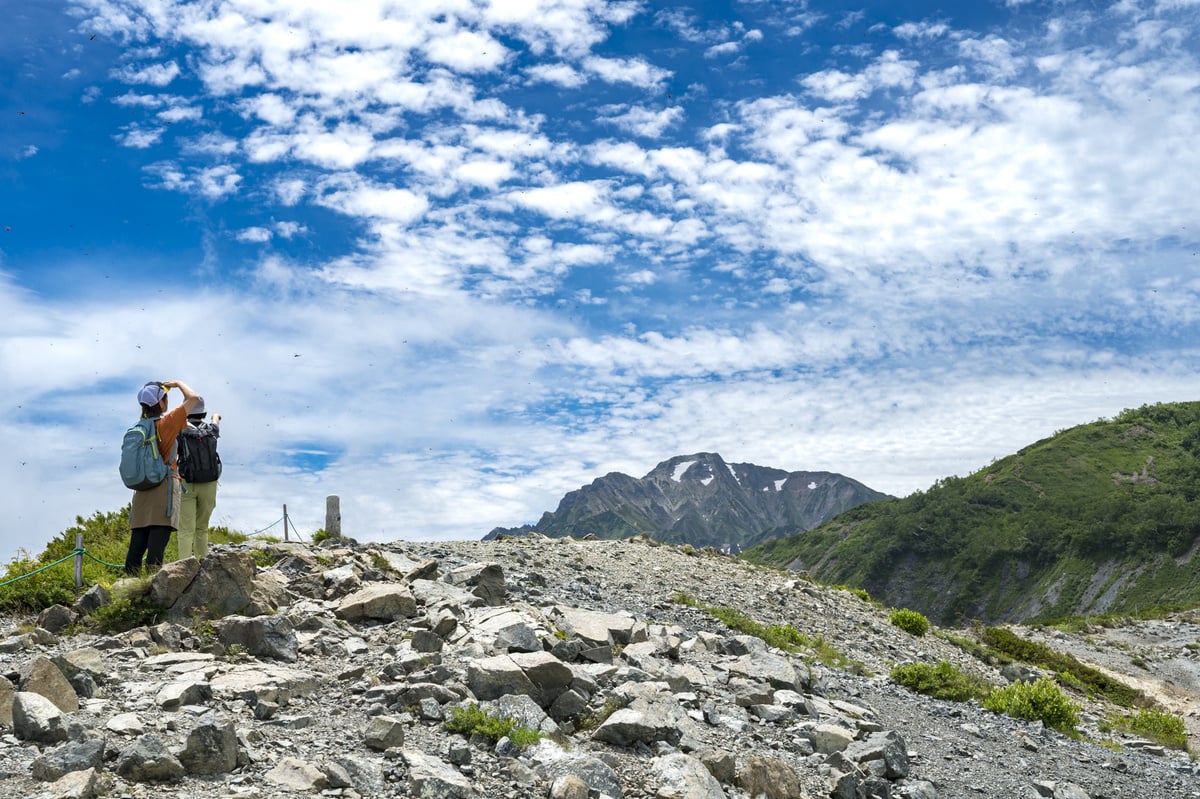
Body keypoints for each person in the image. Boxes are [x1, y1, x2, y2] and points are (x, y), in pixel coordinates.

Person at [124, 380, 200, 575]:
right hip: (164, 487)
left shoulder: (138, 428)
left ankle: (128, 590)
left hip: (141, 489)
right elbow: (193, 398)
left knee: (138, 542)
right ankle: (152, 593)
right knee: (157, 543)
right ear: (162, 403)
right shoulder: (166, 423)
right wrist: (177, 383)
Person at [177, 397, 221, 560]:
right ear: (203, 413)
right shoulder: (211, 430)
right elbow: (216, 420)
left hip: (187, 483)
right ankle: (203, 564)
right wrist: (216, 416)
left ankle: (184, 566)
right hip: (209, 483)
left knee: (186, 529)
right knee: (202, 528)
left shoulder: (181, 430)